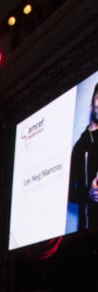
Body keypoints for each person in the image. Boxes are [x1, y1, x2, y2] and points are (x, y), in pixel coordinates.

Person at [69, 82, 98, 231]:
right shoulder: (80, 147)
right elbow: (68, 192)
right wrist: (88, 193)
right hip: (89, 231)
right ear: (91, 106)